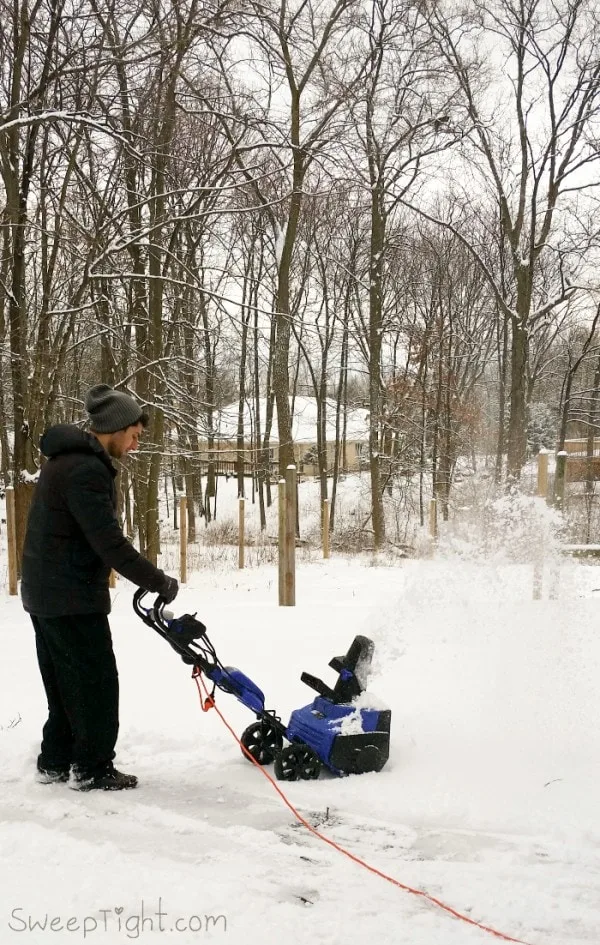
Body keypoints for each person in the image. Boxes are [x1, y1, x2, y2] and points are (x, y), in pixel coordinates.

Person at [21, 384, 179, 792]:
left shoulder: (64, 462)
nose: (136, 443)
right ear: (115, 428)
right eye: (135, 434)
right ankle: (91, 768)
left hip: (46, 593)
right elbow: (107, 542)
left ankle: (55, 760)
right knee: (95, 684)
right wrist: (158, 581)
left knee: (63, 683)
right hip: (70, 596)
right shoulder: (85, 470)